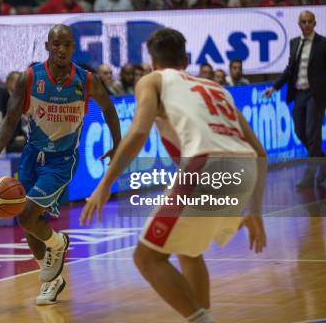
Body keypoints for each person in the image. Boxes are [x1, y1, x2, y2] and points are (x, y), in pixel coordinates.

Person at [80, 27, 267, 323]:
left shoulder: (151, 80)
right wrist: (255, 211)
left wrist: (105, 184)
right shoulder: (215, 87)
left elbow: (139, 131)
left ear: (152, 62)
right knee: (188, 250)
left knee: (146, 258)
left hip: (207, 163)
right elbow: (260, 153)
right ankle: (204, 317)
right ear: (187, 59)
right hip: (245, 169)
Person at [0, 24, 121, 306]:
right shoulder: (30, 77)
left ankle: (57, 244)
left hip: (62, 161)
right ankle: (51, 279)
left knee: (28, 216)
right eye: (56, 44)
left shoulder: (86, 80)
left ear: (73, 48)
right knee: (26, 219)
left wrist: (117, 144)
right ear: (47, 46)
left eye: (66, 44)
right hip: (32, 155)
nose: (61, 49)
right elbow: (11, 117)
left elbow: (110, 110)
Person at [264, 11, 326, 182]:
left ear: (315, 23)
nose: (307, 24)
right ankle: (324, 160)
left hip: (317, 95)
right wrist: (275, 87)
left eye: (310, 21)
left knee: (312, 133)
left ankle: (309, 174)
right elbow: (289, 69)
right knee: (299, 131)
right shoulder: (294, 43)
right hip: (299, 93)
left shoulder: (325, 43)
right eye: (304, 22)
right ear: (299, 24)